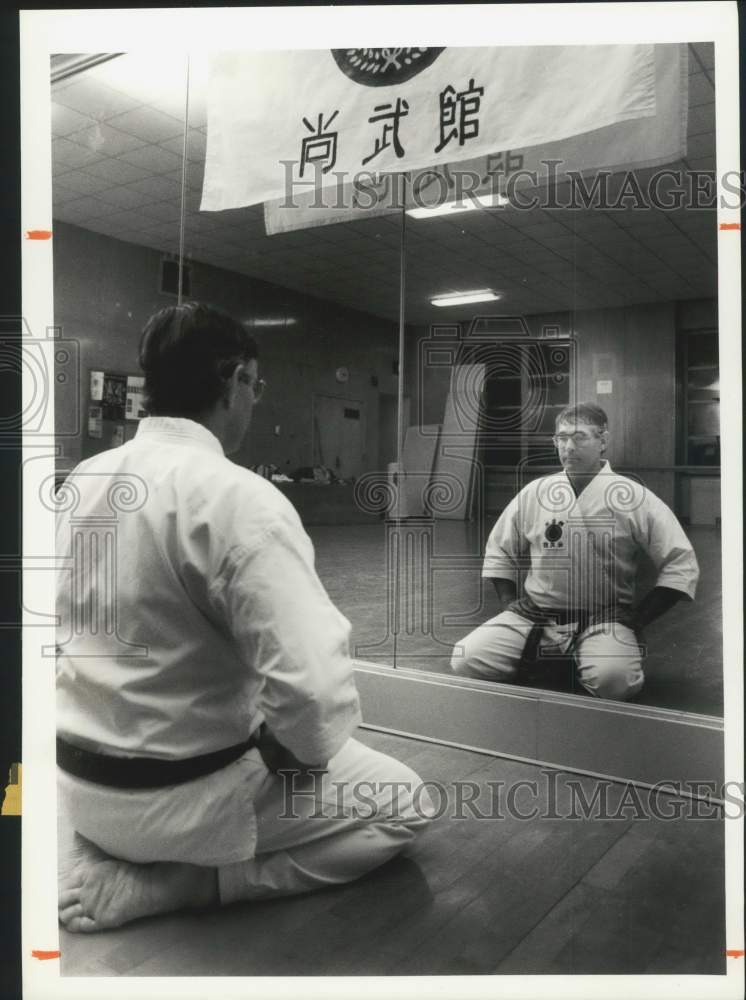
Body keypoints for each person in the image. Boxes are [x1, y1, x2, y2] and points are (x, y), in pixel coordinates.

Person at [56, 302, 432, 933]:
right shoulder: (240, 498)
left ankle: (123, 848)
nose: (253, 401)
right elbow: (312, 697)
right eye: (254, 387)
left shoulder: (79, 482)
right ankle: (196, 884)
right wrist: (296, 749)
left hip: (80, 793)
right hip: (181, 805)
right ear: (234, 382)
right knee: (406, 802)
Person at [451, 402, 699, 700]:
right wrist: (508, 603)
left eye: (579, 437)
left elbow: (681, 564)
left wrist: (639, 619)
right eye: (561, 438)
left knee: (615, 684)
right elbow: (499, 550)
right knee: (466, 659)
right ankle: (566, 659)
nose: (568, 446)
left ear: (603, 441)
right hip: (537, 615)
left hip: (604, 619)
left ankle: (588, 655)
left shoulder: (634, 497)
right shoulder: (535, 492)